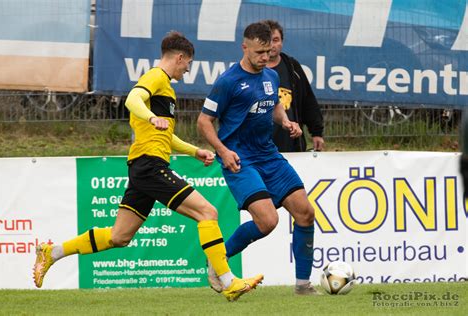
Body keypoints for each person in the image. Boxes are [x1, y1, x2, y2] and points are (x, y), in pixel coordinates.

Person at [33, 31, 263, 302]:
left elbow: (165, 134)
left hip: (144, 167)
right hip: (150, 166)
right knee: (207, 212)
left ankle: (54, 252)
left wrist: (194, 151)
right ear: (179, 58)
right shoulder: (156, 77)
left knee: (119, 236)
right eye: (188, 63)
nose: (188, 69)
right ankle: (227, 281)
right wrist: (153, 117)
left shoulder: (166, 87)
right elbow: (132, 100)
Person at [197, 22, 319, 295]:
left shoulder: (271, 76)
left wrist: (287, 122)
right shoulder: (228, 81)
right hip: (240, 159)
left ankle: (303, 285)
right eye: (260, 52)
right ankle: (219, 259)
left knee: (305, 213)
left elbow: (273, 105)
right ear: (245, 47)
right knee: (267, 221)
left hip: (269, 155)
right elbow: (204, 122)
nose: (266, 57)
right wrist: (223, 151)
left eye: (269, 51)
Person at [261, 19, 324, 152]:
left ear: (282, 42)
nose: (272, 45)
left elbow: (308, 100)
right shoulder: (251, 69)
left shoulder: (292, 66)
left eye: (276, 40)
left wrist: (317, 132)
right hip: (259, 144)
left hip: (289, 143)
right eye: (268, 40)